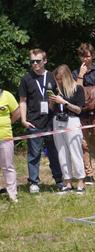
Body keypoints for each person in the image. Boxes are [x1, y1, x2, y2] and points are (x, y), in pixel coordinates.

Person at [18, 48, 64, 193]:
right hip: (34, 122)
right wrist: (24, 120)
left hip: (51, 121)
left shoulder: (51, 76)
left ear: (45, 61)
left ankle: (59, 180)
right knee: (34, 154)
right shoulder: (26, 79)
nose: (35, 64)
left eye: (38, 61)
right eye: (32, 61)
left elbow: (60, 96)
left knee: (54, 153)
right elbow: (23, 101)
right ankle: (33, 183)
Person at [72, 43, 95, 184]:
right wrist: (80, 76)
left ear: (92, 56)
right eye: (82, 56)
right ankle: (88, 174)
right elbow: (76, 93)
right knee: (84, 145)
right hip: (81, 114)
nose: (85, 59)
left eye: (87, 56)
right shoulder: (75, 73)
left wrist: (87, 94)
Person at [50, 65, 86, 194]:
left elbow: (79, 109)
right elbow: (51, 108)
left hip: (72, 121)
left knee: (75, 151)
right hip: (57, 121)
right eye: (57, 79)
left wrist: (64, 102)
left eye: (60, 79)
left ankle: (81, 181)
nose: (58, 82)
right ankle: (67, 182)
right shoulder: (55, 89)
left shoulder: (78, 89)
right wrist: (53, 101)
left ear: (66, 77)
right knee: (61, 152)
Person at [0, 87, 20, 202]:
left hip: (5, 137)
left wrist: (9, 123)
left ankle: (12, 195)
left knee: (8, 166)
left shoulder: (7, 95)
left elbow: (17, 113)